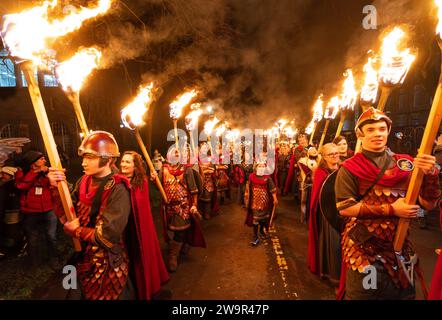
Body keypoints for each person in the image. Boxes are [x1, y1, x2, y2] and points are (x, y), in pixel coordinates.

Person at [334, 107, 440, 300]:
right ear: (361, 134)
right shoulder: (350, 168)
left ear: (388, 131)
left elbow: (428, 204)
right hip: (364, 250)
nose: (377, 134)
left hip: (400, 249)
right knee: (365, 296)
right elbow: (345, 208)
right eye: (371, 130)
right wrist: (393, 209)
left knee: (403, 297)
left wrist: (431, 175)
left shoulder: (404, 164)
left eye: (382, 129)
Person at [48, 131, 145, 300]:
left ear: (107, 159)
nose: (84, 163)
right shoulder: (83, 181)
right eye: (84, 157)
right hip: (85, 259)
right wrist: (56, 188)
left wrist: (76, 231)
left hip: (109, 265)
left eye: (91, 157)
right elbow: (67, 216)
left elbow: (107, 235)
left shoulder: (118, 188)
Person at [120, 151, 170, 299]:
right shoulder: (117, 181)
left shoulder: (142, 182)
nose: (123, 164)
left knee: (141, 259)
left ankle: (146, 287)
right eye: (122, 161)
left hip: (140, 230)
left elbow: (143, 208)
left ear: (135, 166)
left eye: (128, 162)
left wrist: (156, 180)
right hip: (124, 229)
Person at [152, 147, 206, 272]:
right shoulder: (164, 170)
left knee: (180, 230)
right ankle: (184, 245)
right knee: (177, 230)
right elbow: (158, 188)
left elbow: (194, 191)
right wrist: (154, 179)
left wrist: (194, 205)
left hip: (183, 206)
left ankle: (173, 255)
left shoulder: (187, 170)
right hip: (169, 207)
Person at [15, 150, 58, 269]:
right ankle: (35, 262)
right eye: (41, 158)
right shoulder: (21, 172)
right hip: (30, 211)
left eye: (44, 158)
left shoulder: (48, 171)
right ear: (33, 162)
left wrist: (50, 176)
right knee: (33, 238)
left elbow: (55, 185)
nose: (44, 160)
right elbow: (21, 186)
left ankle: (54, 259)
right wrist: (35, 172)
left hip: (49, 209)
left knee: (51, 236)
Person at [307, 143, 341, 286]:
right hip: (327, 213)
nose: (335, 156)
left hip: (342, 211)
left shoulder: (343, 169)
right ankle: (332, 274)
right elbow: (318, 197)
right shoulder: (321, 172)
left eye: (336, 153)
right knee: (333, 244)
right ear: (324, 157)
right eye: (331, 154)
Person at [244, 161, 278, 246]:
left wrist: (275, 198)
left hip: (265, 202)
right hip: (255, 202)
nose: (261, 167)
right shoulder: (252, 177)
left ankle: (261, 230)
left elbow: (272, 189)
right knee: (255, 219)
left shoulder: (267, 178)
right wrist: (247, 196)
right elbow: (248, 188)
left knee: (263, 219)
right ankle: (255, 236)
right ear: (256, 167)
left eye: (263, 166)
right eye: (260, 166)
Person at [298, 147, 319, 224]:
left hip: (315, 184)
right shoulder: (303, 161)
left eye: (315, 150)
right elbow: (305, 171)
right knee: (304, 201)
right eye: (312, 150)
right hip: (306, 183)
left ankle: (311, 219)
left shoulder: (319, 161)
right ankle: (303, 218)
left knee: (312, 202)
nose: (314, 151)